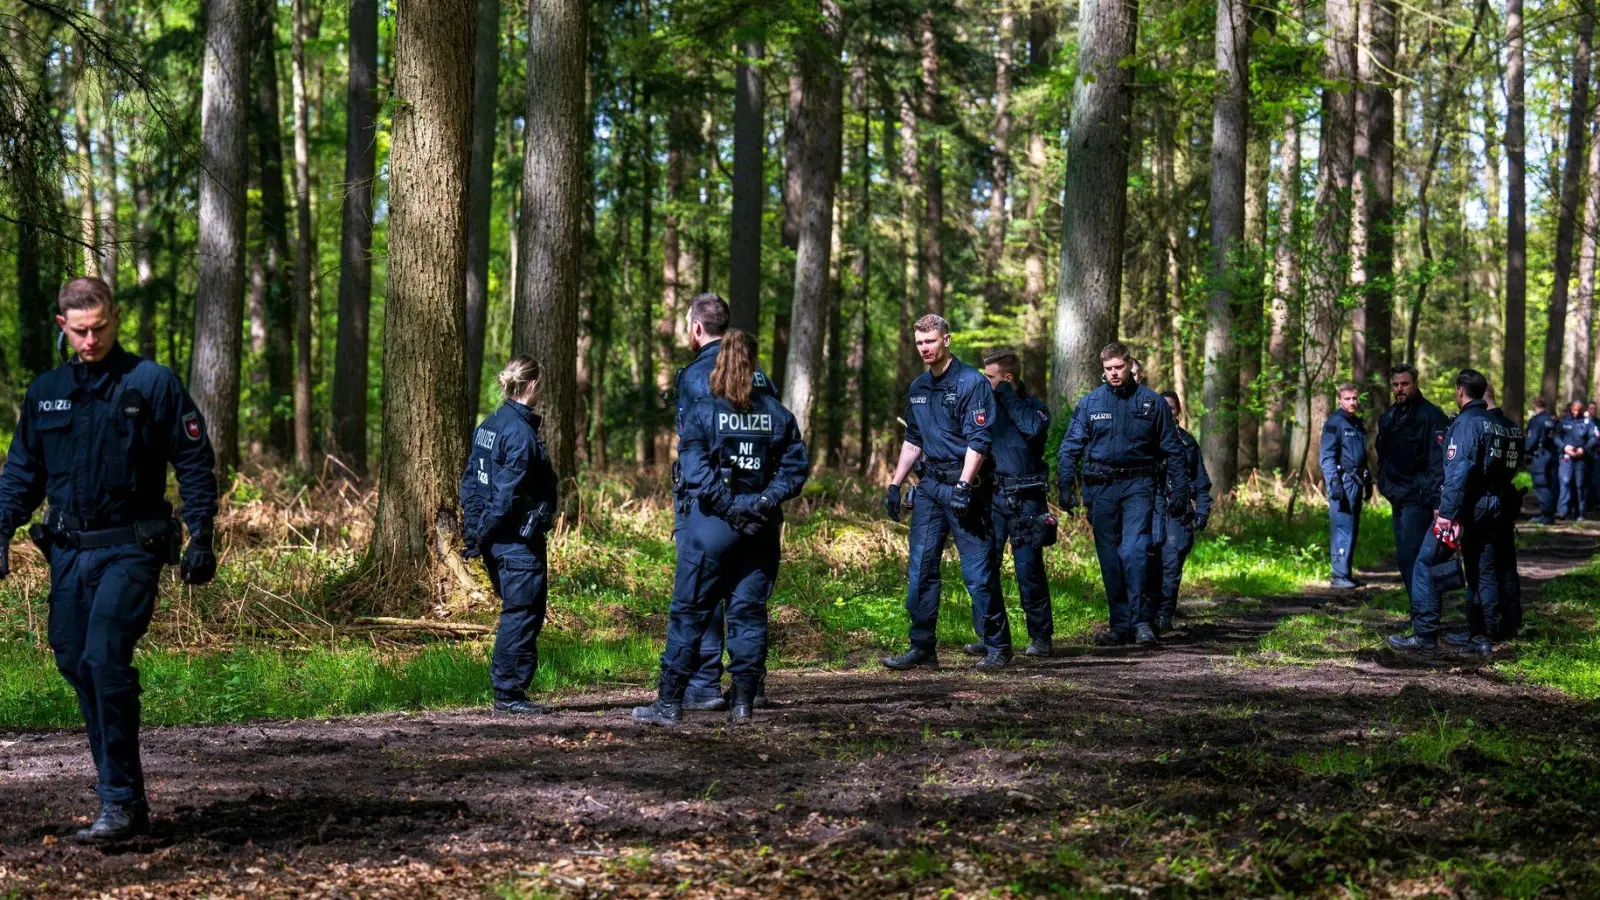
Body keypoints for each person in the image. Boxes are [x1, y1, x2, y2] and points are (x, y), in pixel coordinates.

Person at [0, 277, 218, 841]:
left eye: (99, 327)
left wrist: (203, 535)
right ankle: (126, 799)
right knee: (76, 662)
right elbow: (22, 475)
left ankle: (118, 802)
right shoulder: (46, 392)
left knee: (103, 660)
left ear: (115, 317)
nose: (91, 339)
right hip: (69, 554)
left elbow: (193, 460)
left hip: (132, 549)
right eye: (79, 330)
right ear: (62, 327)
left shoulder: (151, 383)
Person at [633, 329, 809, 725]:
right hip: (760, 529)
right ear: (753, 364)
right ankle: (744, 702)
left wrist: (731, 507)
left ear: (721, 361)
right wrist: (761, 502)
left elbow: (695, 473)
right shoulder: (778, 414)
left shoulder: (703, 411)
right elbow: (795, 470)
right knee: (748, 612)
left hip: (712, 526)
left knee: (690, 609)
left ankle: (669, 703)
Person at [880, 314, 1011, 670]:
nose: (925, 348)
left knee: (978, 573)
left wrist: (965, 485)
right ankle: (922, 646)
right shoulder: (919, 387)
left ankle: (997, 646)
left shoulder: (971, 383)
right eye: (920, 343)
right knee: (921, 570)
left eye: (931, 342)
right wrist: (895, 483)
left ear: (946, 340)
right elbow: (913, 439)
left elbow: (980, 441)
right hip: (929, 488)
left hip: (966, 487)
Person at [671, 293, 775, 711]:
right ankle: (751, 685)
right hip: (756, 502)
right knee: (748, 593)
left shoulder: (695, 375)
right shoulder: (758, 375)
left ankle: (703, 683)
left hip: (708, 502)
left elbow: (691, 444)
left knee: (702, 591)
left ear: (697, 328)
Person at [1057, 342, 1190, 648]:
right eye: (1108, 369)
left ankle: (1142, 621)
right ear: (1102, 370)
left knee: (1135, 550)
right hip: (1102, 487)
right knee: (1110, 557)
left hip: (1139, 485)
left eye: (1119, 367)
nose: (1114, 373)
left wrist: (1180, 489)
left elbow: (1173, 449)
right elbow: (1070, 447)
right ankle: (1119, 624)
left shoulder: (1152, 403)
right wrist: (1066, 486)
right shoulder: (1091, 403)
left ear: (1130, 365)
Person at [1390, 369, 1517, 659]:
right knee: (1479, 570)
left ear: (1461, 390)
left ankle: (1424, 636)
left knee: (1424, 563)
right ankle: (1481, 636)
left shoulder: (1467, 423)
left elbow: (1458, 472)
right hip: (1492, 507)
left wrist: (1446, 514)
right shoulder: (1493, 423)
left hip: (1465, 510)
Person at [460, 355, 560, 716]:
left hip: (501, 539)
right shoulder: (518, 434)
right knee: (522, 613)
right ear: (531, 386)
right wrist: (480, 534)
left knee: (521, 611)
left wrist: (475, 532)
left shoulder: (489, 424)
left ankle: (511, 691)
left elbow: (470, 482)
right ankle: (508, 694)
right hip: (515, 541)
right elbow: (504, 496)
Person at [962, 350, 1054, 658]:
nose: (984, 381)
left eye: (990, 377)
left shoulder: (1033, 407)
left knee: (1029, 569)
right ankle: (989, 635)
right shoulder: (984, 409)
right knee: (985, 567)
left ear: (1008, 378)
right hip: (992, 497)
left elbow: (1033, 429)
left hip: (1027, 499)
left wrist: (1006, 394)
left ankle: (1041, 637)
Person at [1446, 384, 1523, 644]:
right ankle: (1511, 623)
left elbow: (1467, 469)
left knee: (1483, 568)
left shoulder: (1479, 424)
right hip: (1504, 502)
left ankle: (1483, 631)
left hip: (1482, 503)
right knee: (1506, 566)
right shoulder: (1510, 426)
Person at [1375, 363, 1449, 603]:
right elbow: (1382, 456)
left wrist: (1437, 501)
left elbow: (1439, 462)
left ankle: (1425, 618)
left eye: (1404, 384)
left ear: (1415, 384)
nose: (1399, 389)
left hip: (1420, 498)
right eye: (1395, 385)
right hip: (1397, 496)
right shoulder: (1389, 417)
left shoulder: (1432, 416)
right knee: (1405, 559)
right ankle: (1419, 614)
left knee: (1417, 559)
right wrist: (1384, 486)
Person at [1150, 391, 1212, 634]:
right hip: (1151, 509)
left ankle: (1165, 614)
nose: (1168, 412)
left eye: (1172, 408)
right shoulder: (1146, 441)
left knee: (1171, 565)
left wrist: (1202, 511)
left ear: (1178, 412)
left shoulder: (1187, 443)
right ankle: (1144, 615)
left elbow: (1200, 482)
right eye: (1163, 408)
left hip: (1178, 513)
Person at [1320, 383, 1371, 590]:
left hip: (1356, 480)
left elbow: (1361, 455)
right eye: (1348, 398)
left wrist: (1368, 480)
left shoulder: (1357, 423)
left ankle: (1346, 573)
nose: (1352, 402)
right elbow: (1327, 456)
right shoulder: (1335, 423)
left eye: (1355, 398)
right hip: (1342, 481)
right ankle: (1338, 575)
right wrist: (1334, 482)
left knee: (1352, 528)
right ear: (1339, 400)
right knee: (1342, 527)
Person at [1555, 400, 1595, 521]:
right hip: (1566, 457)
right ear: (1571, 408)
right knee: (1565, 482)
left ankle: (1580, 512)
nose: (1576, 412)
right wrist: (1564, 447)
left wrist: (1584, 449)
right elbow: (1557, 437)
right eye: (1574, 409)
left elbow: (1594, 438)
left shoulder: (1587, 422)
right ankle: (1562, 511)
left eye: (1579, 410)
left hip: (1581, 458)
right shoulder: (1564, 421)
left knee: (1580, 485)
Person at [1524, 397, 1558, 524]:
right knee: (1550, 485)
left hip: (1540, 457)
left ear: (1534, 405)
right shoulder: (1550, 420)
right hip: (1551, 456)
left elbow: (1531, 440)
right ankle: (1550, 513)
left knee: (1541, 485)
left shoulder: (1536, 421)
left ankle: (1546, 515)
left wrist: (1525, 450)